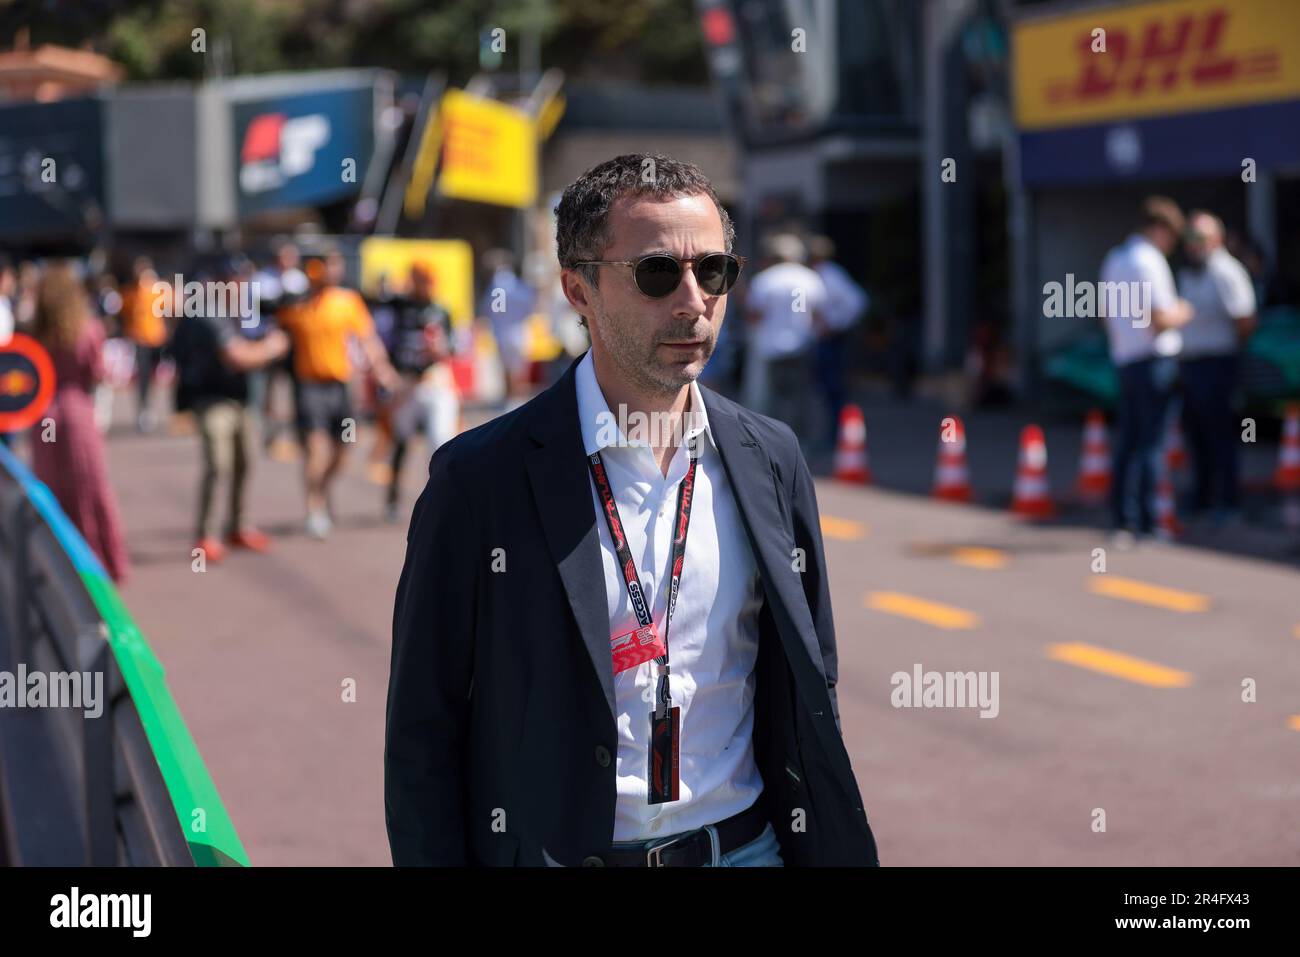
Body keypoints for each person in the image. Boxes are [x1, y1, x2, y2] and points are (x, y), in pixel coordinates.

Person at [386, 153, 879, 867]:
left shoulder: (772, 457)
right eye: (656, 273)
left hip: (746, 851)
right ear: (578, 290)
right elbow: (423, 730)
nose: (692, 300)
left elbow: (811, 676)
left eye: (713, 271)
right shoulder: (477, 481)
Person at [170, 256, 290, 562]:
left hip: (239, 399)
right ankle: (205, 535)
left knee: (245, 463)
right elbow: (237, 356)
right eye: (239, 280)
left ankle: (238, 526)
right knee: (218, 465)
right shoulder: (208, 311)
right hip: (212, 401)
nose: (244, 286)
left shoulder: (240, 310)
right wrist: (273, 346)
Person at [277, 251, 398, 539]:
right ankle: (314, 507)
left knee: (344, 451)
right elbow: (277, 336)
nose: (332, 270)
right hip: (309, 388)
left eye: (335, 264)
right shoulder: (296, 305)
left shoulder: (347, 302)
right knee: (316, 450)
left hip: (341, 387)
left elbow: (367, 339)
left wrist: (382, 369)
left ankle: (321, 489)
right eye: (326, 265)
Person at [27, 261, 130, 583]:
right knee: (90, 487)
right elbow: (97, 373)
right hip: (76, 412)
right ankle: (99, 562)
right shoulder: (89, 329)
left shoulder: (33, 331)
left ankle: (60, 563)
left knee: (52, 490)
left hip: (43, 415)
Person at [1099, 196, 1194, 545]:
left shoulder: (1116, 259)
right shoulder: (1149, 262)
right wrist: (1185, 310)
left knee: (1128, 442)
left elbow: (1107, 316)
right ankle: (1151, 524)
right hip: (1153, 361)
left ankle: (1123, 520)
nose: (1171, 245)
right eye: (1171, 236)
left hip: (1126, 360)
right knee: (1152, 445)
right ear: (1159, 229)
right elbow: (1161, 319)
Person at [1177, 211, 1257, 524]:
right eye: (1189, 239)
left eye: (1198, 239)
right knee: (1196, 436)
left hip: (1218, 363)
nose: (1191, 246)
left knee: (1220, 436)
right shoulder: (1189, 272)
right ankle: (1203, 497)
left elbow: (1245, 320)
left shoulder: (1226, 271)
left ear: (1216, 240)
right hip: (1191, 363)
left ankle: (1228, 501)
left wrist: (1231, 353)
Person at [380, 262, 459, 523]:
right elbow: (381, 333)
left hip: (434, 381)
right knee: (400, 441)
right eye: (419, 279)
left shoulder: (441, 310)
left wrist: (441, 349)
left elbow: (454, 347)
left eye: (428, 279)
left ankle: (442, 500)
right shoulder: (398, 306)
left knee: (440, 442)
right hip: (405, 385)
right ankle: (392, 498)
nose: (424, 285)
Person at [744, 233, 826, 438]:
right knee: (801, 396)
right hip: (803, 343)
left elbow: (754, 314)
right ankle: (800, 439)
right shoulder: (809, 277)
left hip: (771, 345)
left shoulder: (765, 279)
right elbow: (818, 313)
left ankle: (772, 439)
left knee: (772, 397)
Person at [809, 235, 869, 446]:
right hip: (828, 338)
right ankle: (834, 434)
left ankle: (835, 436)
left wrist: (835, 325)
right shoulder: (825, 274)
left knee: (833, 388)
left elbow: (857, 303)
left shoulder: (830, 275)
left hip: (832, 340)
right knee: (828, 389)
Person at [119, 257, 171, 432]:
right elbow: (124, 312)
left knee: (157, 376)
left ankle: (153, 406)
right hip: (139, 338)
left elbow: (170, 308)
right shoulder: (131, 292)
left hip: (157, 338)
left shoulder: (158, 290)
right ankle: (144, 409)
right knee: (143, 376)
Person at [478, 249, 536, 406]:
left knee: (506, 367)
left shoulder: (495, 286)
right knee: (519, 368)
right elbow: (530, 305)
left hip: (501, 331)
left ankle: (510, 398)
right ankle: (518, 398)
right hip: (517, 330)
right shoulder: (518, 286)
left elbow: (487, 309)